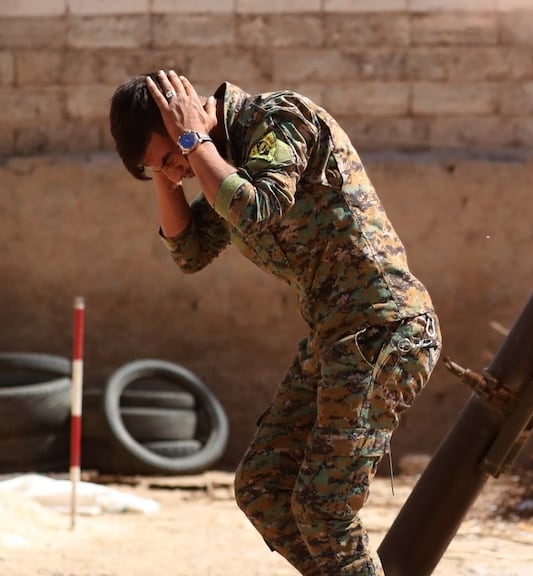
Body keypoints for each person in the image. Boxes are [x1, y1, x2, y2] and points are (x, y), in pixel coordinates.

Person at [108, 70, 441, 575]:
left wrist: (190, 141)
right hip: (334, 339)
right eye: (164, 168)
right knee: (263, 486)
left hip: (384, 329)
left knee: (322, 510)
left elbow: (259, 207)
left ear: (183, 115)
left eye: (171, 159)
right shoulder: (217, 163)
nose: (179, 173)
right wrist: (165, 165)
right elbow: (190, 251)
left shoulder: (278, 118)